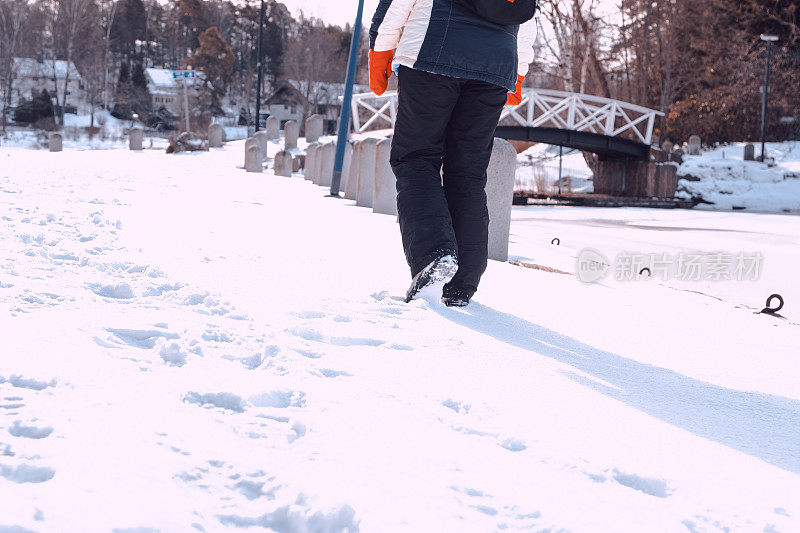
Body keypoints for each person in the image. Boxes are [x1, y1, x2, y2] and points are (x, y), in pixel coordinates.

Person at [368, 0, 537, 307]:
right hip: (496, 68)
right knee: (468, 174)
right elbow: (527, 22)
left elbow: (398, 3)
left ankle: (435, 256)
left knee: (416, 158)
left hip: (433, 55)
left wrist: (380, 49)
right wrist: (519, 70)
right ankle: (461, 285)